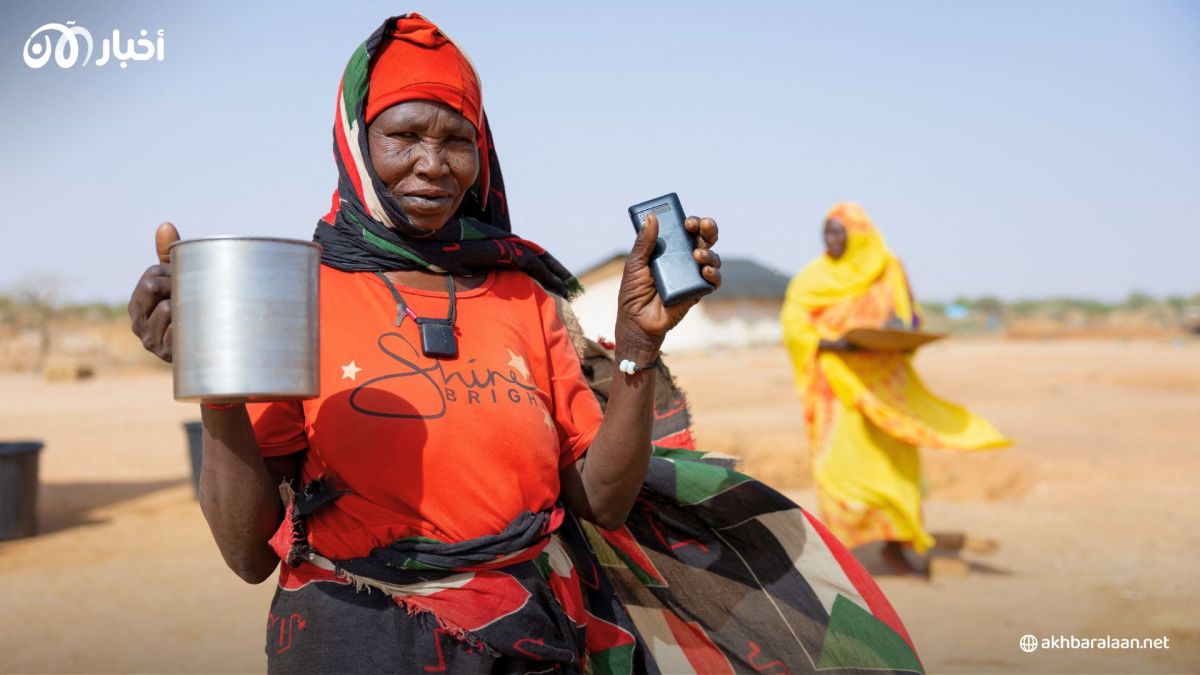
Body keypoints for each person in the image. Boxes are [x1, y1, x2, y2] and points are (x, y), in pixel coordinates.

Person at [131, 15, 924, 673]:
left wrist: (639, 348)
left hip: (531, 636)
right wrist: (218, 379)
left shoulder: (522, 295)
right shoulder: (296, 293)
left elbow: (601, 499)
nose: (434, 165)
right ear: (353, 142)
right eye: (404, 135)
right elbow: (246, 552)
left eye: (458, 139)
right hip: (353, 637)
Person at [781, 203, 1011, 574]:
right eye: (827, 231)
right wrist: (840, 345)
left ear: (859, 235)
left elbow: (910, 317)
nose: (831, 239)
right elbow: (795, 327)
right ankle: (844, 557)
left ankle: (896, 546)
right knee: (839, 470)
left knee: (894, 467)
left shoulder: (888, 269)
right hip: (837, 391)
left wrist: (895, 332)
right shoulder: (812, 279)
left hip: (886, 386)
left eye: (839, 231)